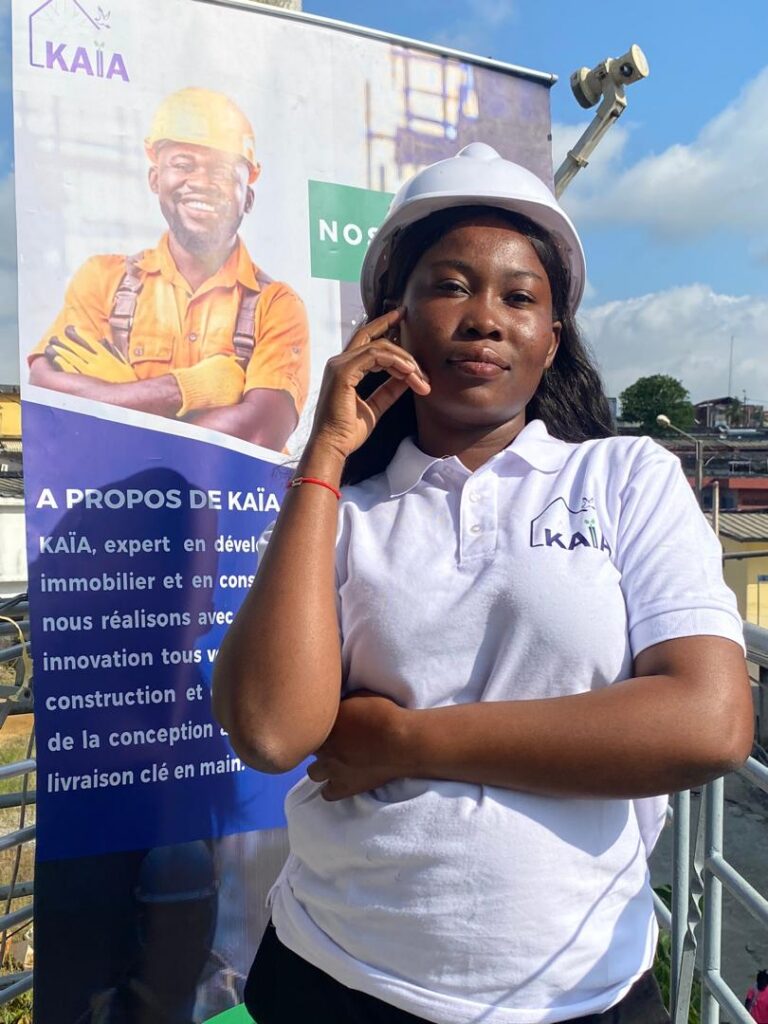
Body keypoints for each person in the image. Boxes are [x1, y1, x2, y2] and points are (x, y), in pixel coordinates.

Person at [212, 143, 753, 1024]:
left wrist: (410, 741)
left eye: (519, 297)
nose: (485, 319)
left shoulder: (626, 478)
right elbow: (272, 731)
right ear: (390, 325)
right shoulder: (342, 513)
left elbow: (710, 721)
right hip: (337, 975)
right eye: (450, 287)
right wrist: (325, 454)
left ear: (553, 339)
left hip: (583, 991)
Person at [28, 87, 309, 451]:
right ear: (155, 179)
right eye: (183, 164)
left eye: (223, 171)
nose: (202, 182)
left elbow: (258, 435)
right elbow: (49, 399)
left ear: (249, 198)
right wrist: (186, 389)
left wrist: (116, 398)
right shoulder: (102, 281)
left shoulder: (277, 306)